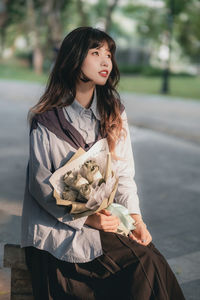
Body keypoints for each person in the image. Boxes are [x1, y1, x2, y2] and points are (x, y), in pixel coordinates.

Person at [21, 27, 185, 300]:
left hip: (104, 224)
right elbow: (41, 188)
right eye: (95, 53)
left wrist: (135, 218)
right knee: (143, 263)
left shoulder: (113, 111)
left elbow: (123, 173)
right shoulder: (47, 120)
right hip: (60, 231)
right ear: (73, 59)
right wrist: (89, 219)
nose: (105, 61)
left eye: (108, 53)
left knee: (152, 256)